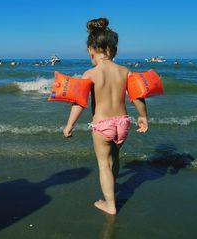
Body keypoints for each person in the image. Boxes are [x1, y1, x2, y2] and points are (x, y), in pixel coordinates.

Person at [63, 17, 148, 215]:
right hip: (123, 123)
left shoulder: (90, 73)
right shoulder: (125, 71)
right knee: (114, 158)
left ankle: (110, 204)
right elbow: (137, 95)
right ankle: (112, 189)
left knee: (103, 164)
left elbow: (79, 103)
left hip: (102, 125)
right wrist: (143, 116)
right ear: (113, 50)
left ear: (91, 50)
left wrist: (69, 125)